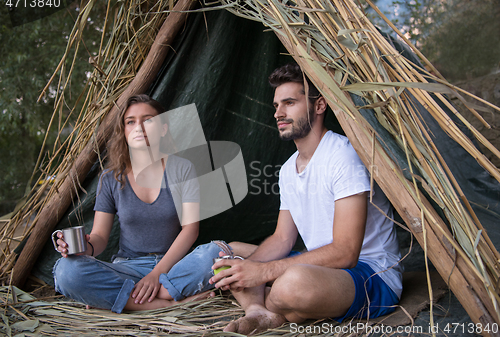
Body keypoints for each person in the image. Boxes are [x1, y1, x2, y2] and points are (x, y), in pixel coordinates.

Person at [210, 63, 403, 334]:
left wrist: (263, 274)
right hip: (317, 263)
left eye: (289, 102)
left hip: (370, 274)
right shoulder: (289, 168)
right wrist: (249, 267)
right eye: (276, 105)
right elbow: (282, 239)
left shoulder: (343, 156)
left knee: (293, 283)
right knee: (231, 253)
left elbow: (347, 253)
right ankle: (259, 311)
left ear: (320, 105)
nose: (279, 113)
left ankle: (268, 301)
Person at [53, 94, 230, 313]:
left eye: (148, 120)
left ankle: (123, 300)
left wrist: (156, 275)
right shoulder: (110, 178)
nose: (139, 127)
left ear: (163, 129)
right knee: (66, 271)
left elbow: (190, 231)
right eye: (131, 122)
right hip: (126, 267)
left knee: (213, 255)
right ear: (124, 131)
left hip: (173, 266)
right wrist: (86, 248)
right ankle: (168, 303)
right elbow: (100, 237)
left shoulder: (183, 169)